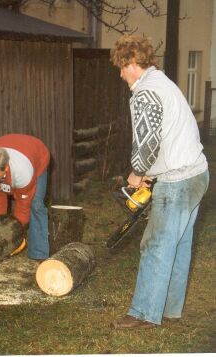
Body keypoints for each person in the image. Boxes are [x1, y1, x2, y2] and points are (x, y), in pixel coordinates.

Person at [110, 35, 209, 329]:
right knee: (177, 245)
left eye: (121, 67)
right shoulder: (164, 83)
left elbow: (147, 141)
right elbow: (167, 135)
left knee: (154, 245)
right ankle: (169, 309)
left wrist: (137, 172)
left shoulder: (145, 92)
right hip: (196, 173)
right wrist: (151, 173)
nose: (120, 74)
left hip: (178, 181)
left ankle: (142, 313)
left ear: (130, 63)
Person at [0, 134, 50, 260]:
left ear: (6, 168)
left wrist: (14, 232)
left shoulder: (23, 172)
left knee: (35, 204)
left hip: (36, 157)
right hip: (13, 151)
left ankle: (38, 253)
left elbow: (23, 205)